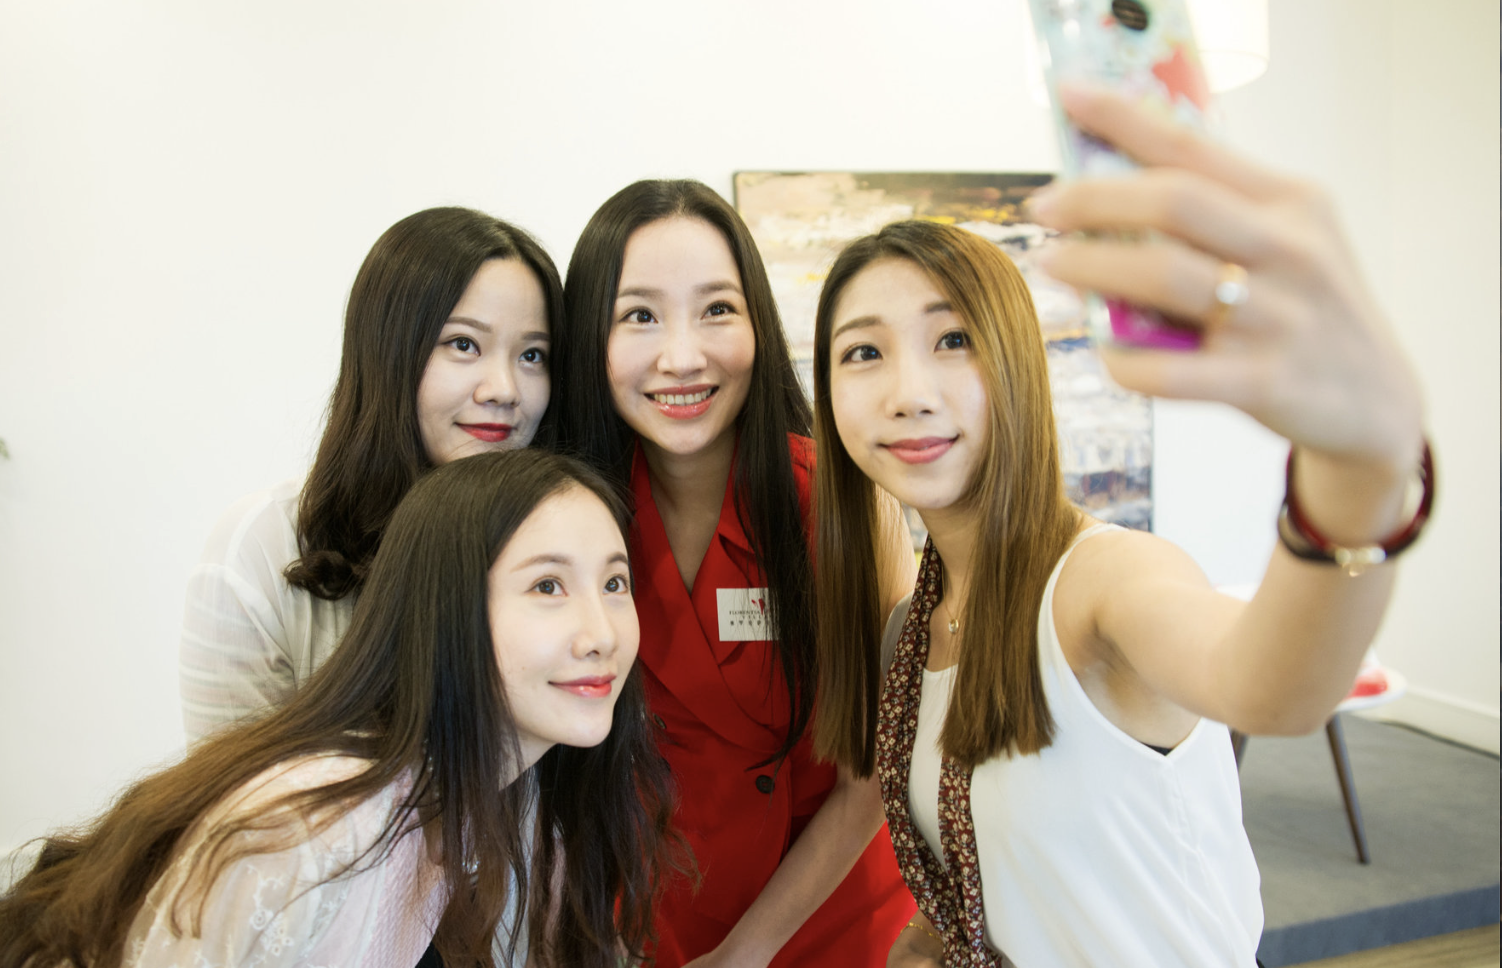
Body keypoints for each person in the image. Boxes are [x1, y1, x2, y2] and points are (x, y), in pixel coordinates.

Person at [811, 84, 1429, 968]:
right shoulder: (911, 635)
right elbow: (990, 889)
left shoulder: (1100, 585)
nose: (908, 391)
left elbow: (1275, 688)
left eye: (952, 341)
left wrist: (1361, 468)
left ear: (1018, 364)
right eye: (862, 352)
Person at [0, 449, 678, 968]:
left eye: (614, 583)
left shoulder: (518, 815)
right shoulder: (318, 832)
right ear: (447, 612)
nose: (603, 634)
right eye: (549, 585)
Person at [552, 179, 918, 967]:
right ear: (592, 338)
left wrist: (744, 955)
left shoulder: (844, 504)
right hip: (662, 928)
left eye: (717, 309)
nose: (683, 357)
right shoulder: (571, 519)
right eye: (639, 315)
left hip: (838, 922)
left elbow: (875, 768)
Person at [180, 207, 562, 742]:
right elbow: (231, 807)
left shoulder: (562, 548)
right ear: (387, 353)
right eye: (463, 345)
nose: (504, 388)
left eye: (532, 354)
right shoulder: (262, 547)